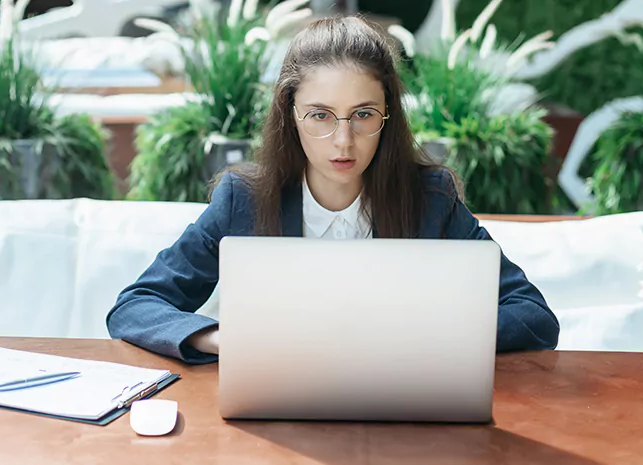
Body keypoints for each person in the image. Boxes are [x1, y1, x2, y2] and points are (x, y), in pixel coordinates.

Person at [106, 16, 559, 364]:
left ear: (387, 116)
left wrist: (426, 337)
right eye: (321, 116)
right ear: (291, 115)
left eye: (363, 115)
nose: (344, 142)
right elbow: (135, 306)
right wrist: (223, 339)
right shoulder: (242, 200)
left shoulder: (430, 199)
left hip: (400, 410)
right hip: (277, 405)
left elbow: (533, 317)